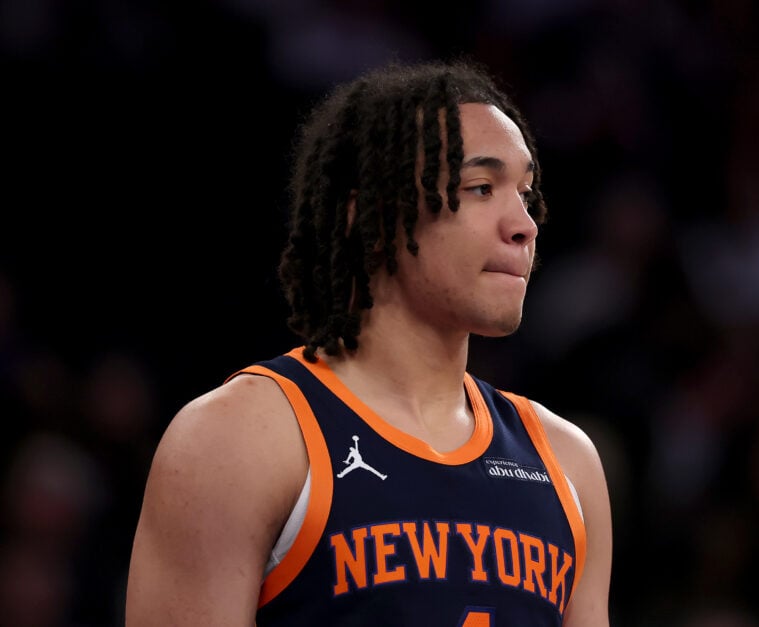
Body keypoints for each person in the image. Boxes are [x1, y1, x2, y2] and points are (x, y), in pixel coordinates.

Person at [125, 58, 612, 626]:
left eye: (525, 193)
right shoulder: (242, 438)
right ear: (373, 216)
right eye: (481, 188)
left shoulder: (566, 461)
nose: (524, 224)